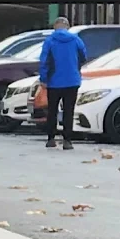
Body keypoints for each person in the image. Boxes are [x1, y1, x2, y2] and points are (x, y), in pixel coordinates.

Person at [39, 16, 88, 150]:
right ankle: (67, 141)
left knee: (52, 110)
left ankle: (51, 139)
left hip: (54, 81)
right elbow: (83, 56)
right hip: (72, 80)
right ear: (67, 26)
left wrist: (43, 79)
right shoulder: (76, 40)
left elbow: (44, 61)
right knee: (69, 110)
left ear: (55, 27)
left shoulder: (49, 41)